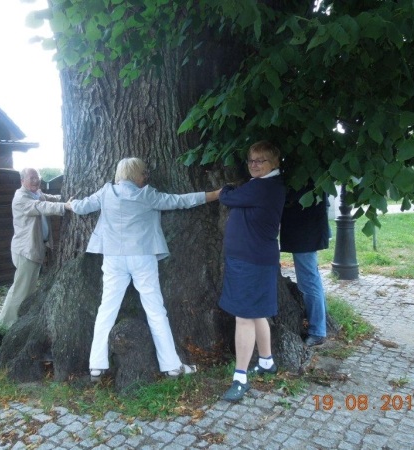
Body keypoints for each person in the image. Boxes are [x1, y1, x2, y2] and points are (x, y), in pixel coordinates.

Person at [67, 157, 221, 380]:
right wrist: (214, 195)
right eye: (144, 173)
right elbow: (179, 201)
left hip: (113, 258)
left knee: (107, 308)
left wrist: (70, 204)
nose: (146, 177)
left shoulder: (106, 192)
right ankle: (171, 366)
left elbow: (82, 207)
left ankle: (96, 365)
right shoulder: (147, 195)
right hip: (142, 257)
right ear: (137, 174)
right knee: (155, 310)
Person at [218, 141, 286, 402]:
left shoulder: (262, 187)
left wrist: (226, 188)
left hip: (250, 262)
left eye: (261, 160)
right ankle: (267, 361)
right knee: (257, 313)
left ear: (274, 163)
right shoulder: (267, 185)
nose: (254, 164)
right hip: (253, 259)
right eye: (251, 160)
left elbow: (227, 197)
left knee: (244, 318)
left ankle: (240, 378)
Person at [0, 168, 69, 328]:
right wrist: (65, 207)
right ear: (22, 180)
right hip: (25, 251)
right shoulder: (21, 198)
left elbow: (50, 199)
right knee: (21, 290)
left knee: (27, 288)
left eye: (37, 177)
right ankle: (7, 324)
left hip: (34, 250)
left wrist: (66, 199)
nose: (36, 181)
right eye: (32, 178)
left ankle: (16, 321)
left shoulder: (36, 193)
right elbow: (41, 207)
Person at [280, 184, 329, 347]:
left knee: (308, 281)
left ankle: (317, 331)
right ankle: (319, 327)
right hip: (305, 230)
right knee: (311, 279)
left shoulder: (305, 175)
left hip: (305, 230)